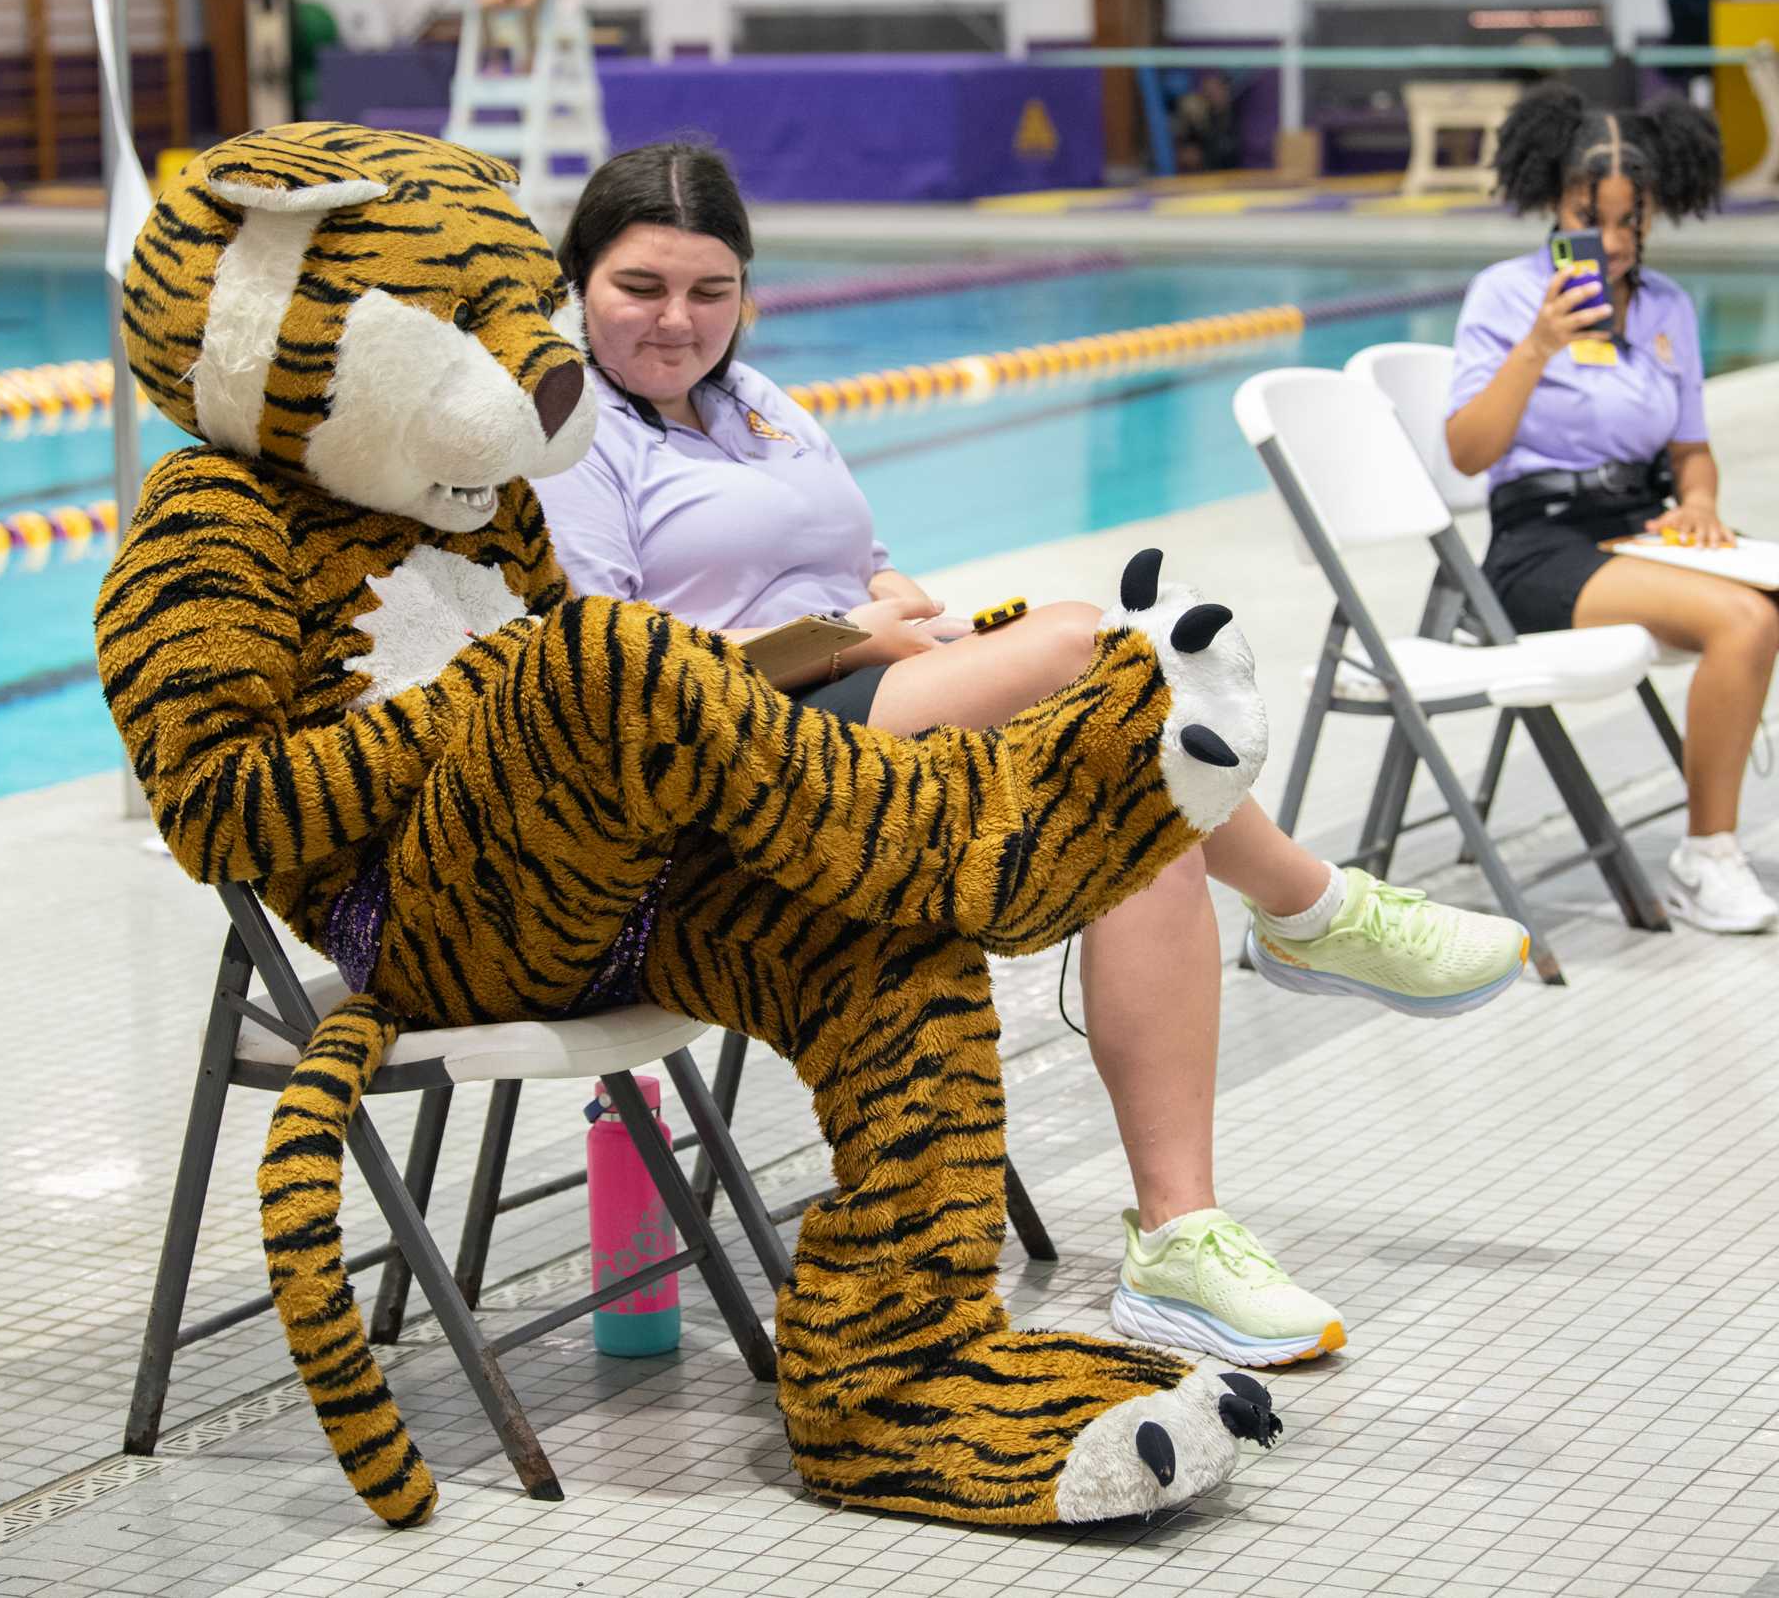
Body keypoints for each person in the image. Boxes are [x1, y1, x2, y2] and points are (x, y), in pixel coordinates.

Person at [534, 142, 1532, 1369]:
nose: (678, 321)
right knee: (1090, 645)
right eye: (642, 287)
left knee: (1134, 809)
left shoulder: (758, 405)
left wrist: (925, 622)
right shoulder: (570, 433)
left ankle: (1180, 1236)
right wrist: (858, 635)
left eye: (711, 289)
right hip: (723, 766)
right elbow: (594, 670)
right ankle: (1310, 903)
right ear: (577, 278)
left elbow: (870, 562)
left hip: (864, 704)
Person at [1447, 83, 1779, 935]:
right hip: (1541, 546)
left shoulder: (1669, 305)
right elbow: (1466, 452)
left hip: (1648, 528)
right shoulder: (1504, 296)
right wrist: (1537, 346)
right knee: (1744, 622)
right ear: (1553, 202)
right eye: (1589, 217)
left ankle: (1712, 841)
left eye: (1630, 221)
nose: (1610, 242)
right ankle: (1705, 856)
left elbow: (1689, 450)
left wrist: (1703, 502)